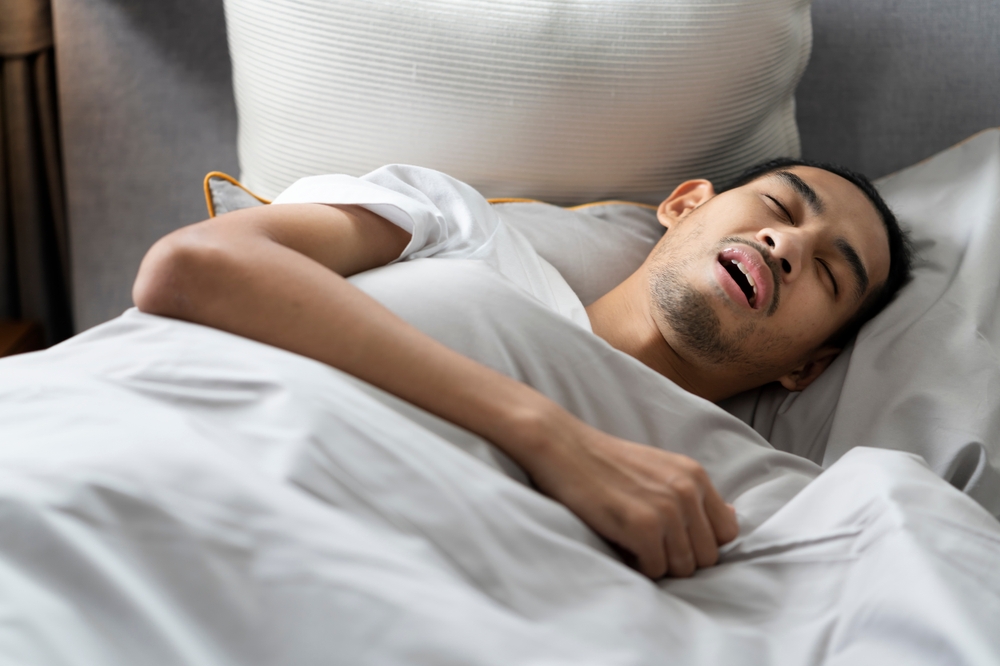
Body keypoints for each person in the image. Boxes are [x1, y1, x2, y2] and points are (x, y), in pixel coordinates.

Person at [132, 157, 912, 580]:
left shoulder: (738, 489)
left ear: (809, 367)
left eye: (831, 273)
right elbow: (195, 267)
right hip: (193, 479)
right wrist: (548, 436)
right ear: (684, 203)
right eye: (779, 208)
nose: (790, 246)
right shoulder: (459, 231)